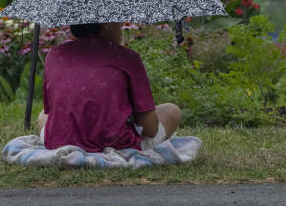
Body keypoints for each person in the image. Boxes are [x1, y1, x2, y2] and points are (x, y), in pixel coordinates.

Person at [36, 21, 182, 152]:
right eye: (118, 21)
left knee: (43, 114)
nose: (121, 26)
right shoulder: (127, 58)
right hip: (117, 146)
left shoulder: (55, 55)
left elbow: (52, 110)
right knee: (172, 111)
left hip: (59, 143)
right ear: (105, 24)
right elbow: (150, 129)